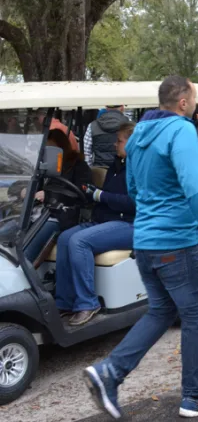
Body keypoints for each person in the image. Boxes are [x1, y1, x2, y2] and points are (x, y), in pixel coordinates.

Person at [84, 75, 198, 420]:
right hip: (178, 242)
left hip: (145, 242)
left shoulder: (137, 139)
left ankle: (110, 372)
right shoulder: (181, 131)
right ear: (183, 102)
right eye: (193, 98)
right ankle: (195, 395)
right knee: (194, 315)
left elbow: (135, 192)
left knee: (161, 312)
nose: (194, 104)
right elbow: (196, 192)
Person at [56, 122, 136, 326]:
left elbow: (133, 203)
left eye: (119, 141)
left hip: (130, 224)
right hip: (108, 219)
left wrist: (100, 195)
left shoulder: (139, 168)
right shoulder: (117, 165)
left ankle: (88, 303)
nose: (114, 145)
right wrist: (91, 194)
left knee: (79, 242)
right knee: (65, 238)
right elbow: (106, 198)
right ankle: (65, 302)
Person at [23, 129, 93, 261]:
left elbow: (84, 192)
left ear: (61, 148)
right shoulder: (44, 167)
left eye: (52, 149)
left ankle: (20, 273)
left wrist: (48, 194)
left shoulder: (78, 166)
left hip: (60, 216)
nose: (48, 153)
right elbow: (30, 182)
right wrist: (22, 189)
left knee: (25, 252)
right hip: (38, 214)